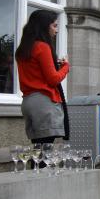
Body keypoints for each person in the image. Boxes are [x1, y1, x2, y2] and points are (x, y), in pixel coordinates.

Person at [16, 10, 70, 144]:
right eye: (54, 26)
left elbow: (35, 72)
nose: (56, 30)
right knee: (45, 154)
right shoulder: (42, 47)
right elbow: (53, 79)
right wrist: (66, 67)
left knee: (37, 151)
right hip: (43, 103)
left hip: (28, 102)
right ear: (44, 26)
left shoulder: (23, 49)